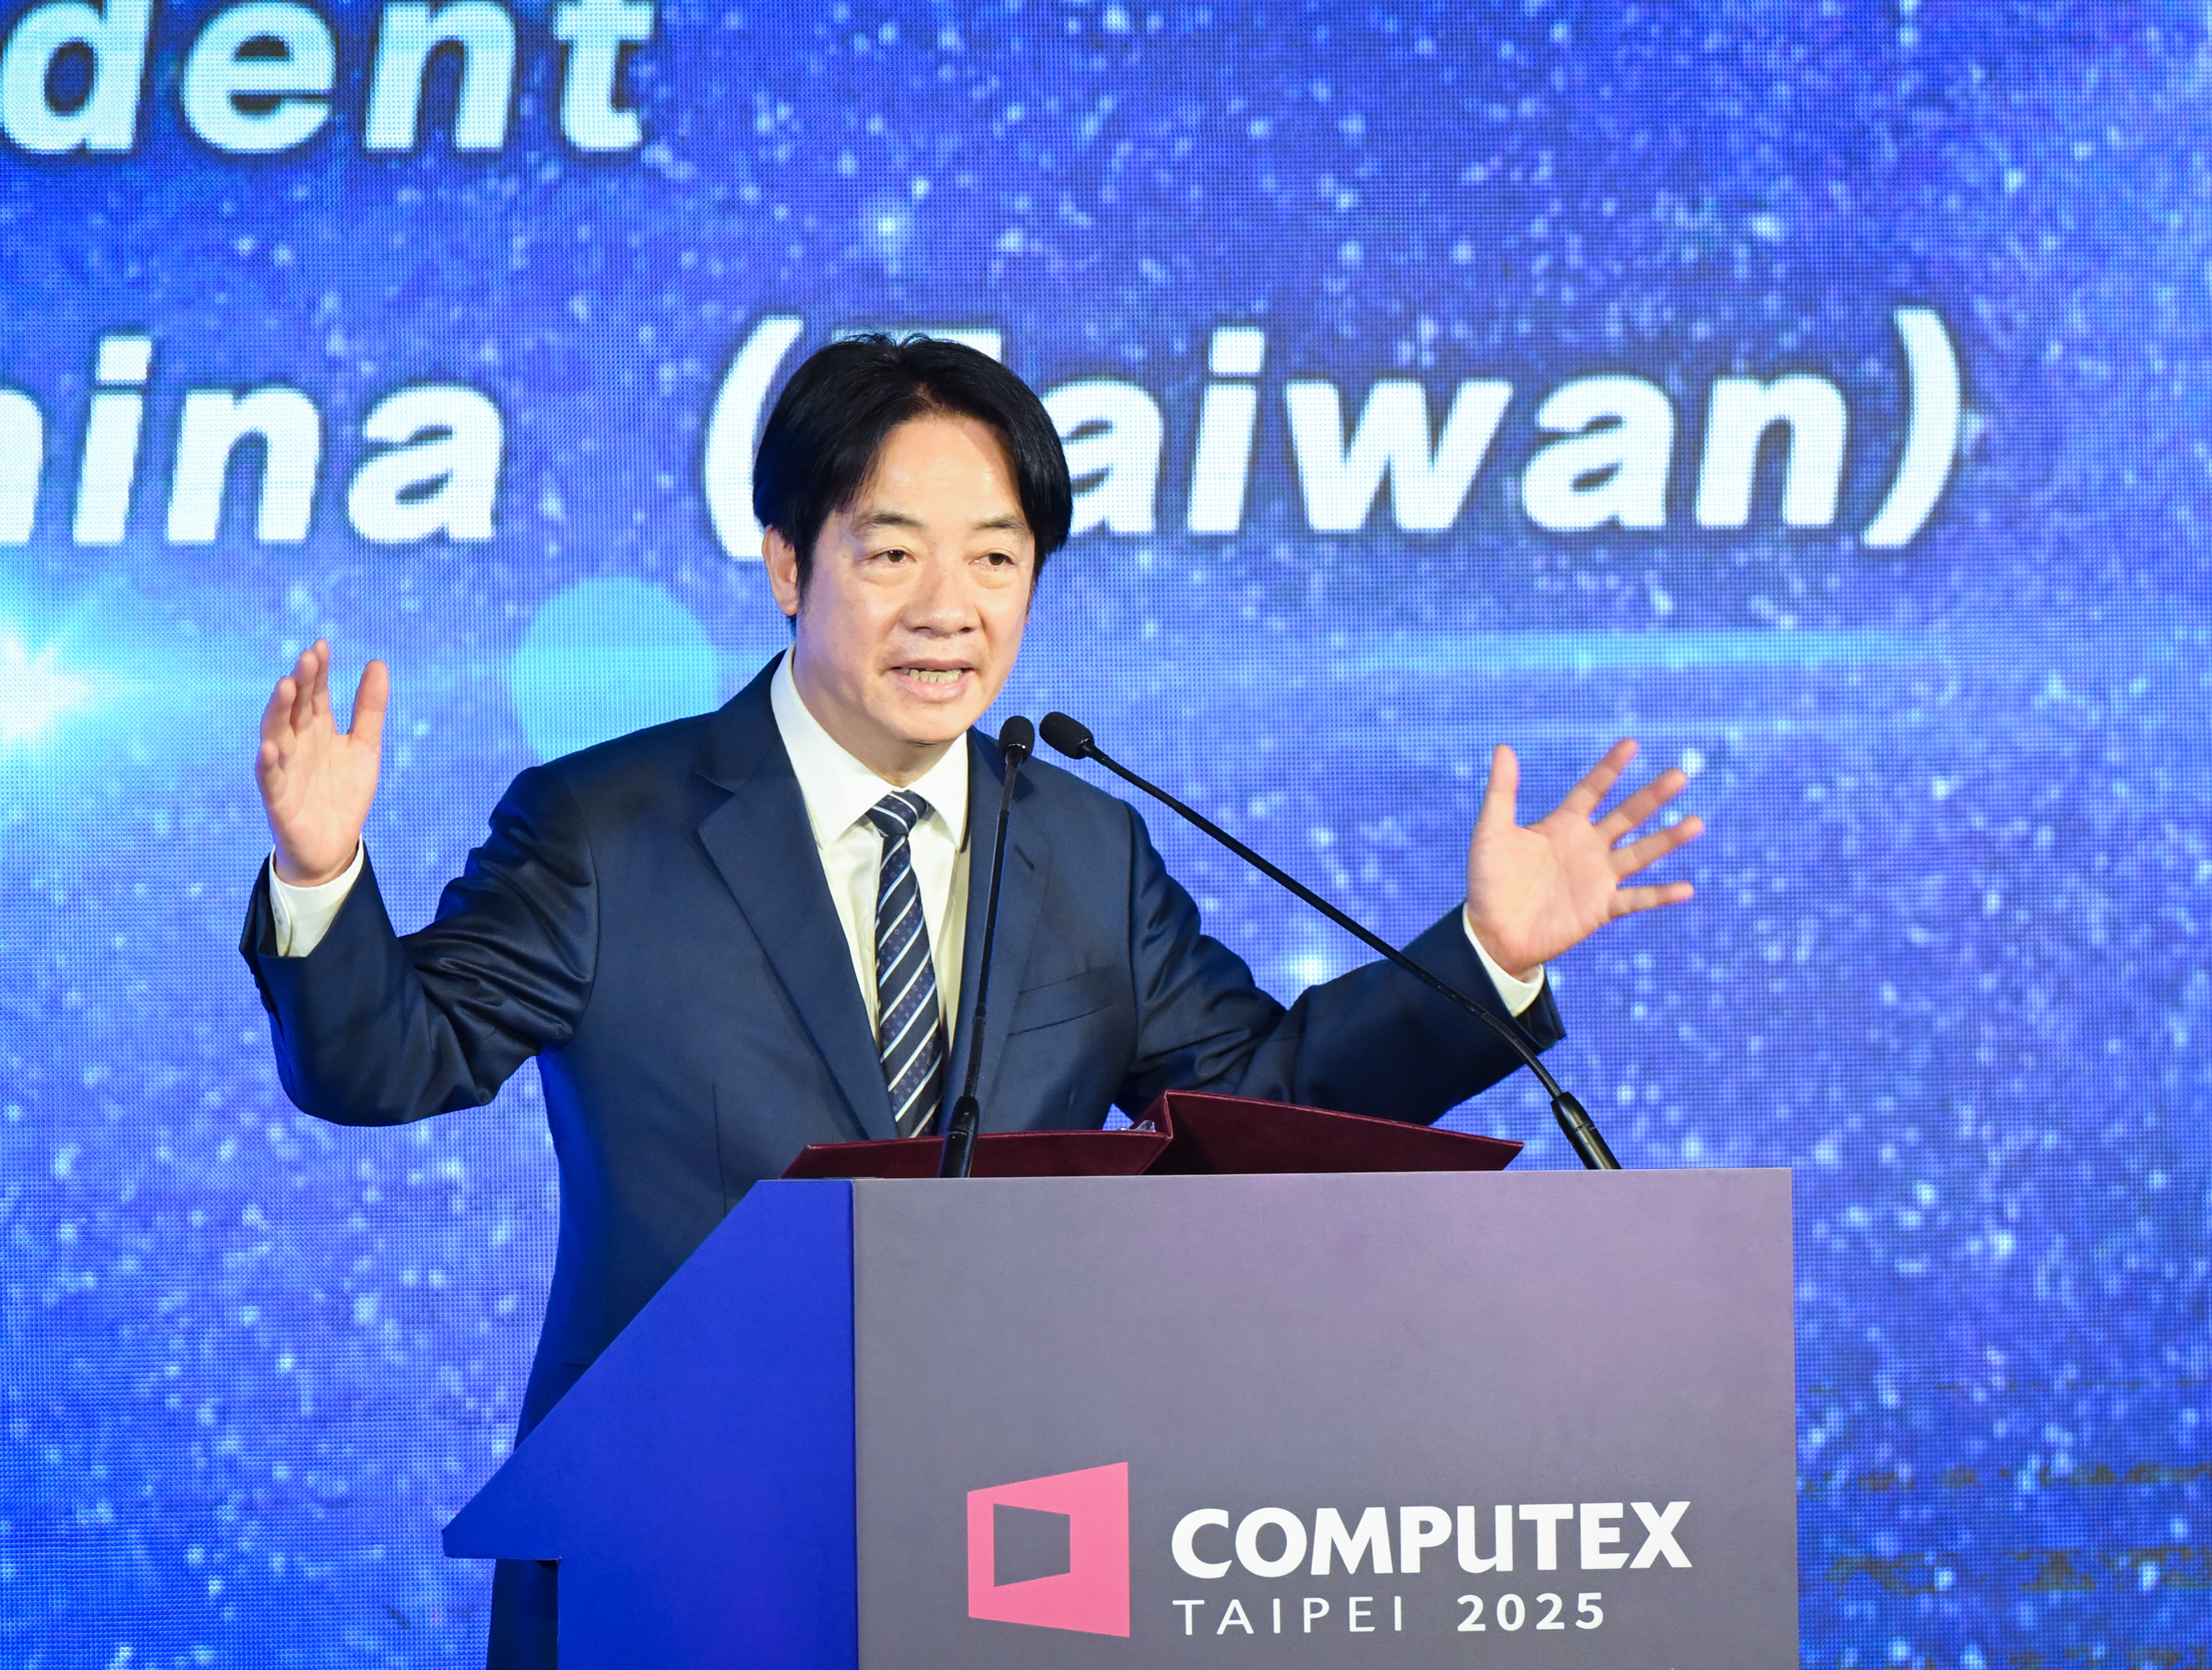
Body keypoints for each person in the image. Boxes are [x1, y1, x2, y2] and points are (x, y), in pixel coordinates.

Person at [240, 335, 1700, 1666]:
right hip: (676, 1548)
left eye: (998, 559)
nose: (950, 609)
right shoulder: (607, 826)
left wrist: (1485, 957)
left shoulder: (1082, 844)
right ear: (788, 564)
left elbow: (1256, 1104)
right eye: (893, 554)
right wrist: (322, 875)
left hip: (1013, 1546)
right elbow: (387, 1063)